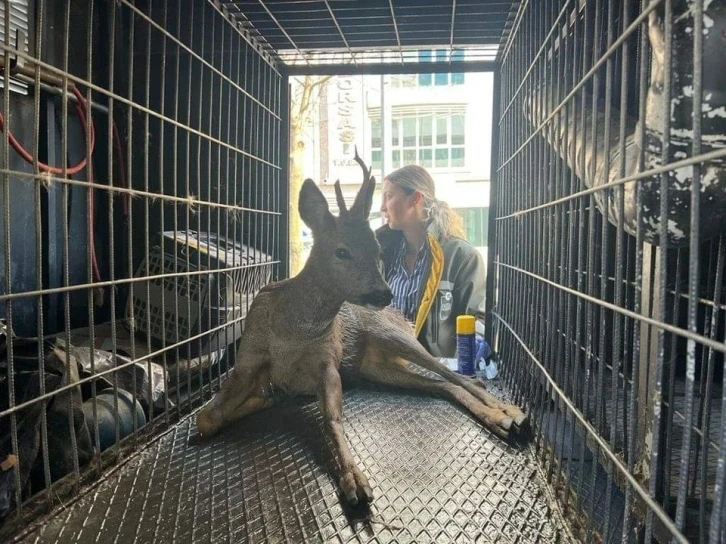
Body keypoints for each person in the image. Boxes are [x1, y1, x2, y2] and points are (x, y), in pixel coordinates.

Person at [375, 164, 488, 359]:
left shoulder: (462, 257)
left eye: (389, 196)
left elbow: (476, 319)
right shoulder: (380, 254)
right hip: (386, 372)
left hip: (437, 375)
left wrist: (478, 337)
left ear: (415, 198)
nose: (382, 207)